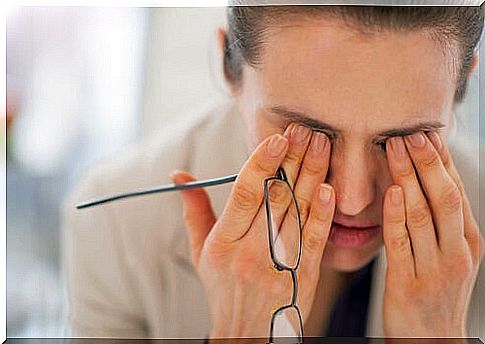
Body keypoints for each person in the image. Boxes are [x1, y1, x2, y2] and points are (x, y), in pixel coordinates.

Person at [63, 4, 485, 341]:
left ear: (462, 84)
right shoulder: (114, 229)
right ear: (231, 69)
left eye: (403, 139)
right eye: (306, 133)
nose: (353, 198)